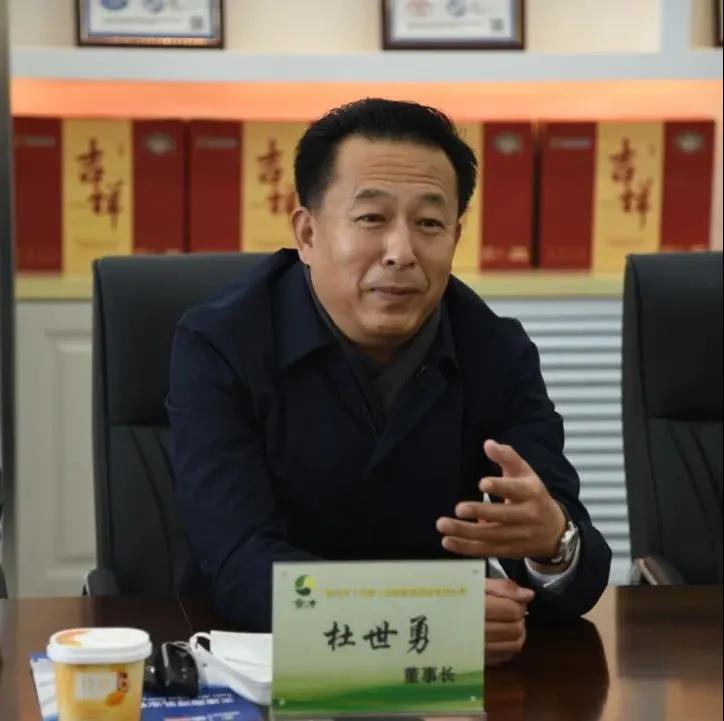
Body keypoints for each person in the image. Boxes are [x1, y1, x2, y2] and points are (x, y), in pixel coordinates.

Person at [168, 98, 611, 666]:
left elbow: (578, 571)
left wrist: (554, 544)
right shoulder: (221, 343)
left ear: (456, 236)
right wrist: (417, 621)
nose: (401, 253)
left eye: (429, 224)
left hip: (445, 682)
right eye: (371, 219)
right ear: (307, 233)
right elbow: (238, 562)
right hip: (265, 666)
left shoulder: (495, 349)